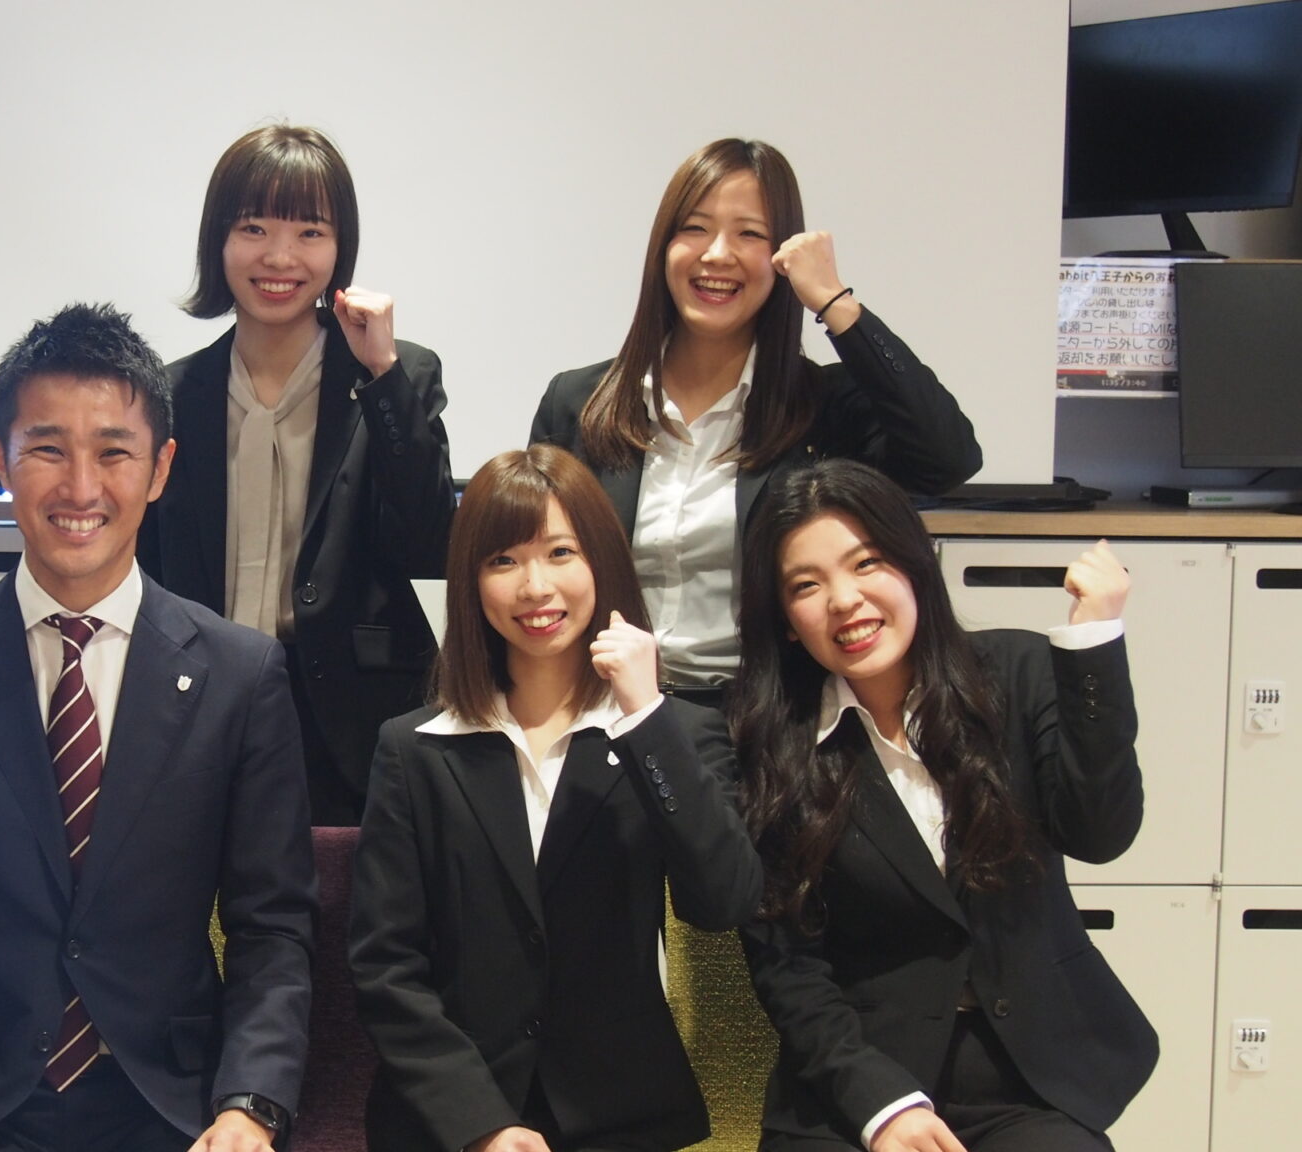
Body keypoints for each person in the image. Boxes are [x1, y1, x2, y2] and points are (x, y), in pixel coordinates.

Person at [0, 303, 315, 1152]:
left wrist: (249, 1104)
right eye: (48, 449)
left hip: (164, 1099)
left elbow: (272, 931)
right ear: (1, 462)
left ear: (161, 468)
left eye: (114, 452)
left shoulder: (240, 676)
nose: (82, 488)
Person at [730, 459, 1155, 1152]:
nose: (844, 600)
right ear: (786, 623)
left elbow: (1100, 833)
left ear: (914, 564)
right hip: (857, 1081)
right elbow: (788, 966)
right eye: (807, 585)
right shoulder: (774, 746)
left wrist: (1094, 640)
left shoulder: (1018, 673)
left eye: (866, 563)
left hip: (1025, 1078)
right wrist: (881, 1107)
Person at [349, 444, 761, 1152]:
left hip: (620, 1117)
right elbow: (386, 968)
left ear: (602, 560)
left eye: (561, 553)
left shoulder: (671, 734)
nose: (535, 586)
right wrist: (481, 1125)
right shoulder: (414, 749)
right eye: (503, 560)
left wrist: (645, 715)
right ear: (471, 582)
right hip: (452, 1121)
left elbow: (724, 899)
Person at [529, 137, 980, 705]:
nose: (718, 254)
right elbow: (537, 569)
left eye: (750, 234)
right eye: (695, 228)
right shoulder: (579, 401)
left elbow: (948, 459)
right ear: (664, 246)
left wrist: (834, 302)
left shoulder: (822, 407)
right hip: (607, 705)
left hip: (768, 716)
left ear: (783, 257)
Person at [139, 124, 455, 825]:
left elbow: (430, 545)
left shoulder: (396, 374)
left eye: (310, 231)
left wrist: (382, 376)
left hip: (355, 722)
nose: (280, 257)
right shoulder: (172, 394)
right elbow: (149, 573)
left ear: (341, 247)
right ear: (218, 241)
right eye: (253, 228)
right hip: (203, 709)